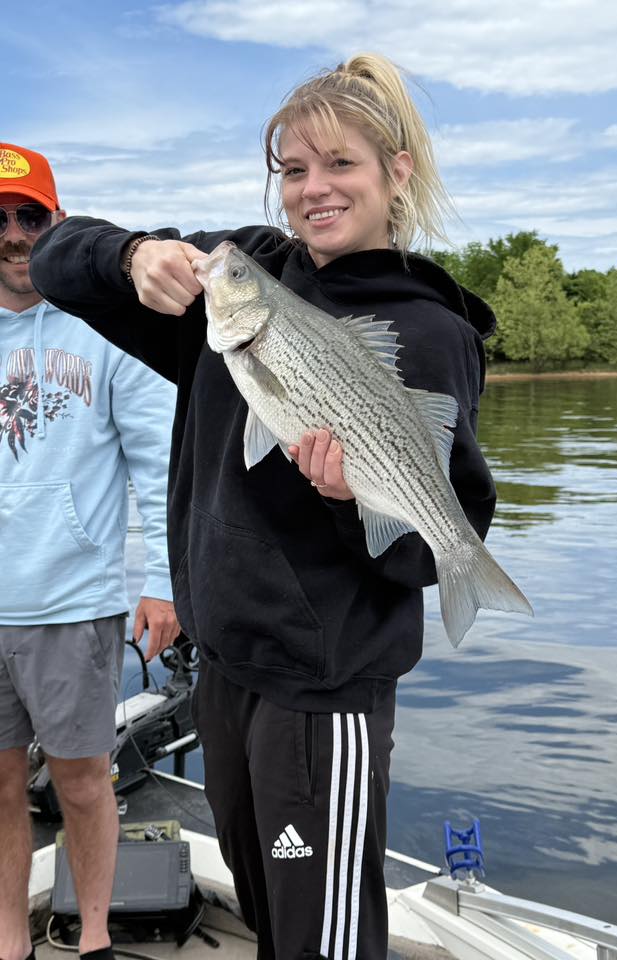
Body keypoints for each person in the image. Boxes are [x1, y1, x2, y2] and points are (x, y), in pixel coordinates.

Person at [30, 53, 498, 960]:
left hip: (324, 696)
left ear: (396, 172)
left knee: (322, 934)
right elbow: (55, 263)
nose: (312, 191)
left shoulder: (431, 330)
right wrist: (134, 255)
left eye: (339, 165)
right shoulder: (239, 282)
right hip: (227, 672)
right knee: (268, 909)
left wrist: (344, 496)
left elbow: (432, 545)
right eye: (293, 170)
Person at [0, 143, 180, 960]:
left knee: (81, 782)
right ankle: (10, 941)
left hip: (74, 605)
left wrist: (167, 584)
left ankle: (96, 939)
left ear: (56, 221)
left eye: (29, 216)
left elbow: (162, 462)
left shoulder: (110, 330)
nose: (12, 233)